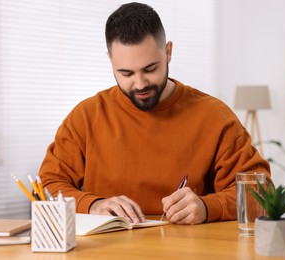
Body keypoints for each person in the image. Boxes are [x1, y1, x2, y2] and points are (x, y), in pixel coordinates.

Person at [38, 2, 271, 225]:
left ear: (168, 52)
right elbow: (47, 185)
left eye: (150, 69)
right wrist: (92, 205)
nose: (139, 84)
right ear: (110, 61)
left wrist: (208, 206)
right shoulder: (86, 117)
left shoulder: (215, 117)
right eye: (126, 73)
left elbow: (261, 192)